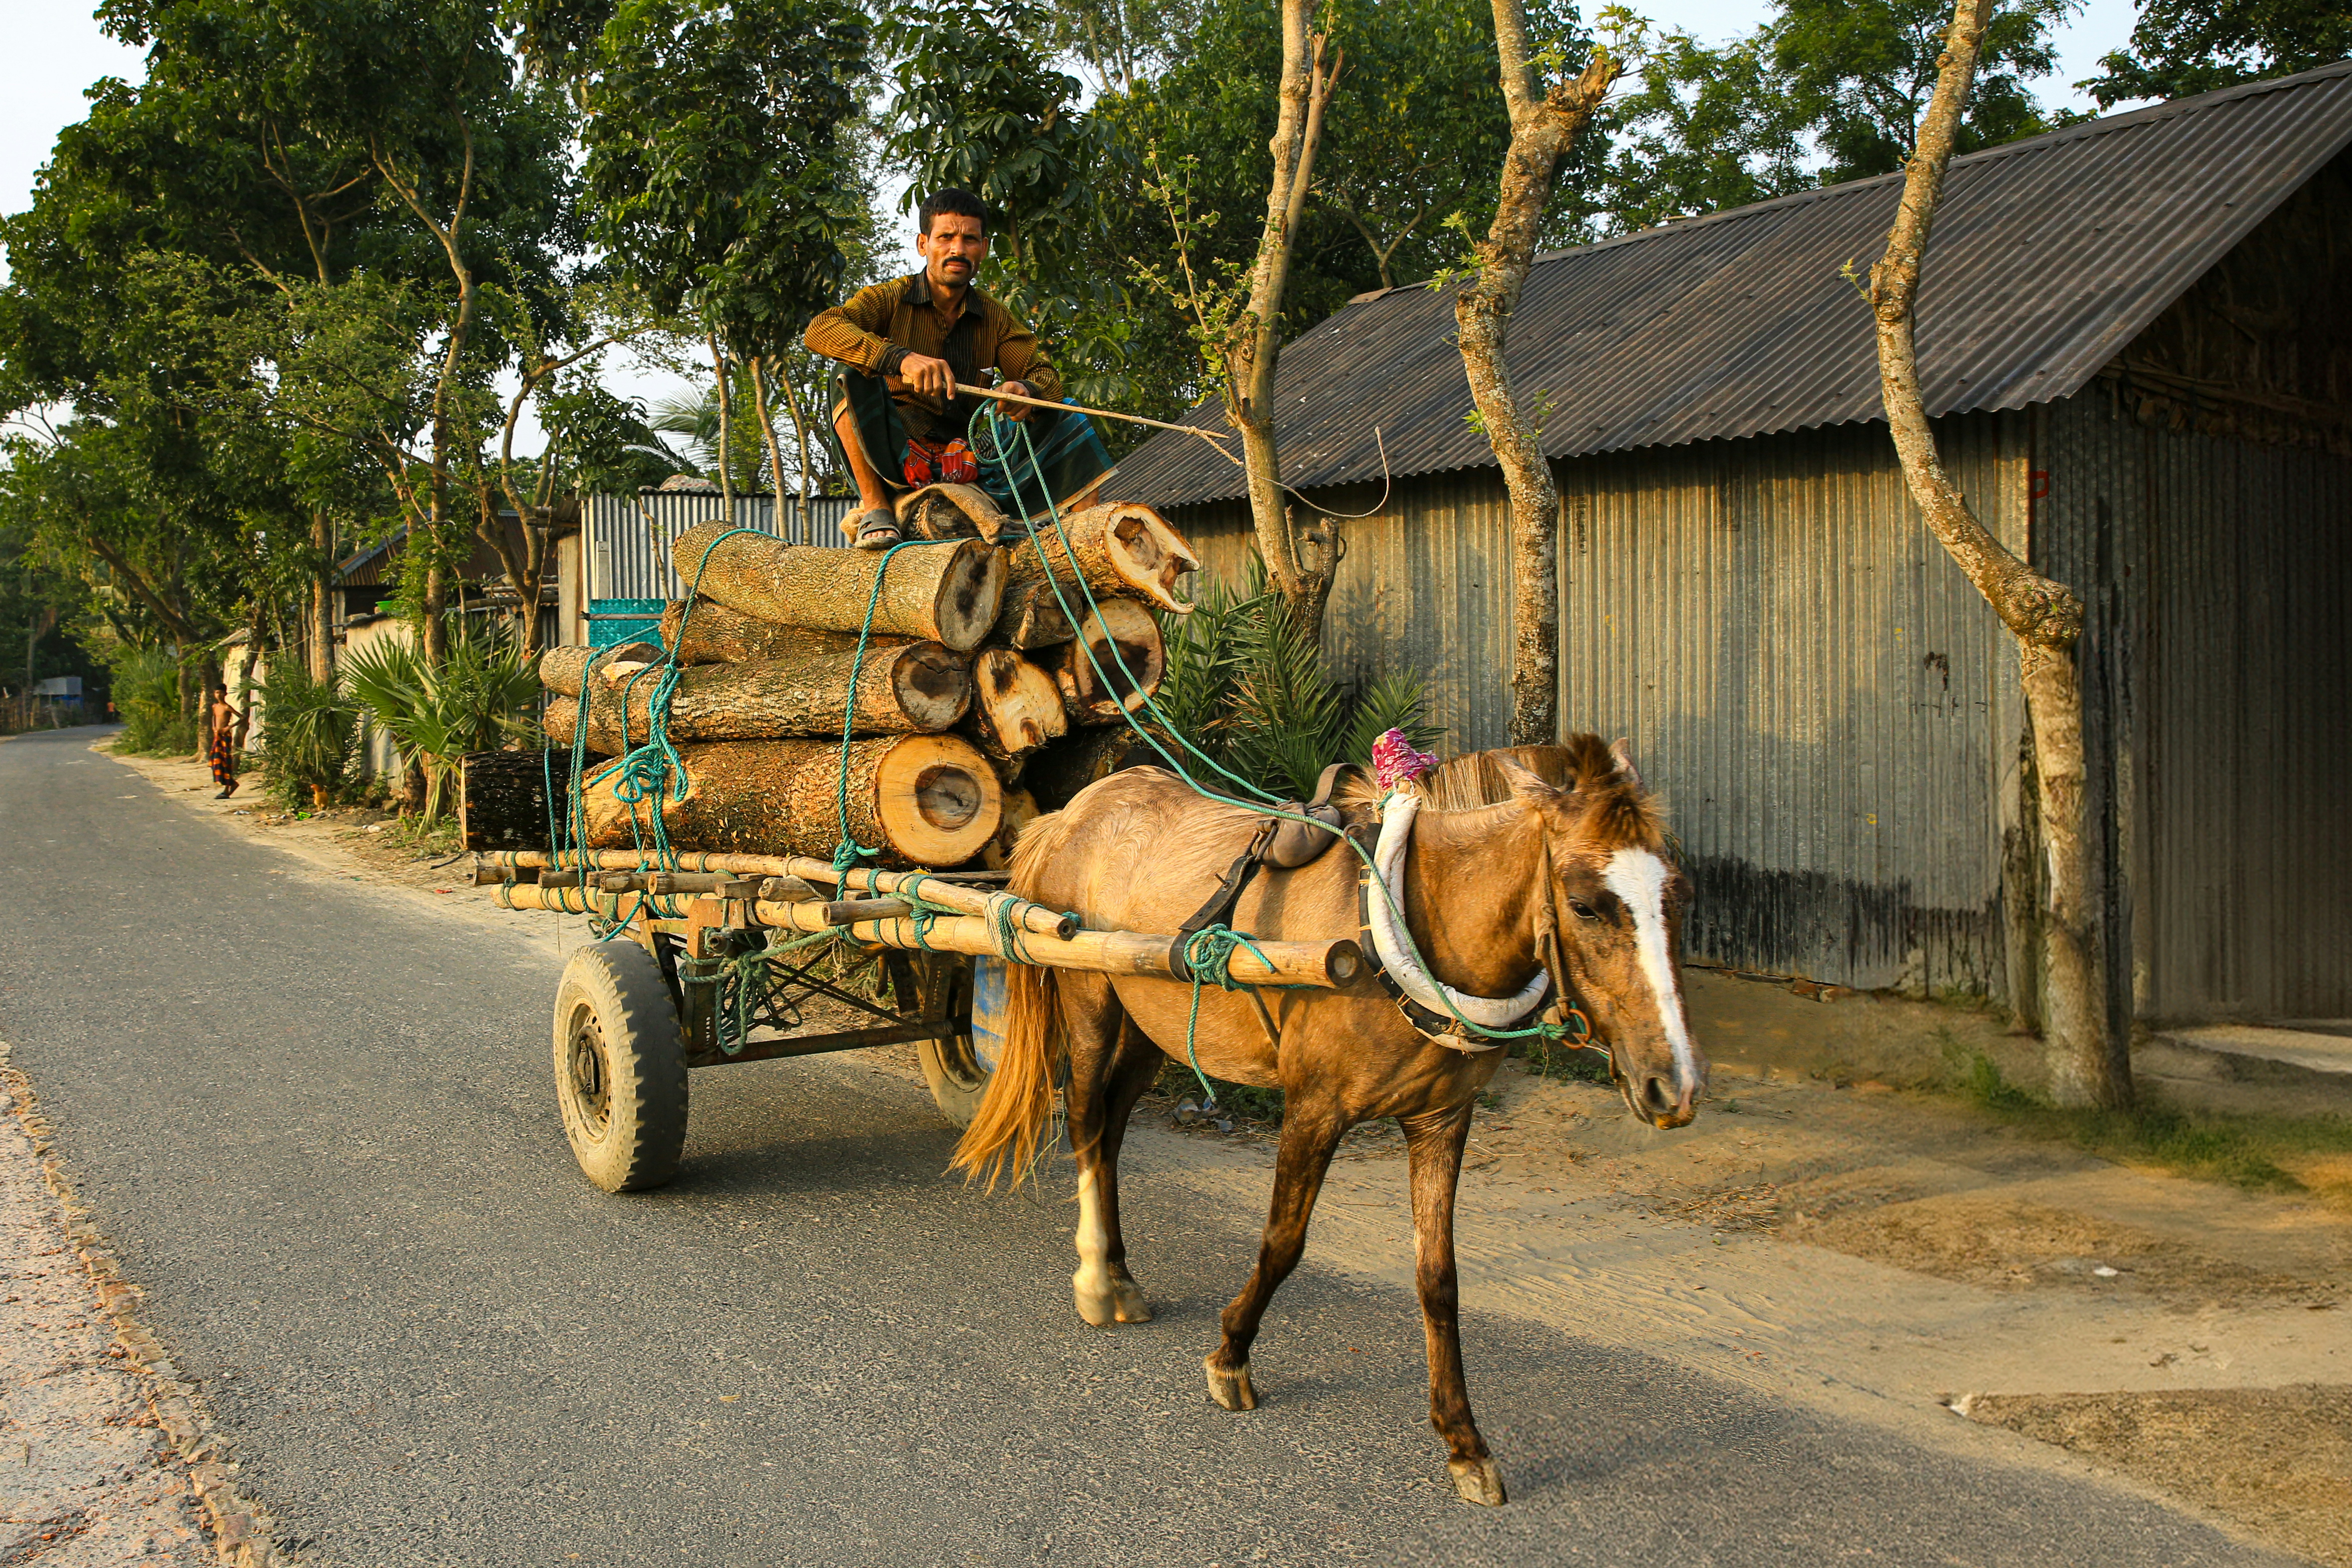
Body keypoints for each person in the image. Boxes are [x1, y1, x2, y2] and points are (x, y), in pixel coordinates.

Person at [804, 187, 1111, 549]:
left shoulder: (995, 316)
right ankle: (876, 508)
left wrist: (1025, 392)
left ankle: (1084, 542)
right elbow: (821, 329)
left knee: (1066, 413)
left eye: (969, 239)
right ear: (923, 244)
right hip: (896, 455)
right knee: (847, 375)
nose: (957, 249)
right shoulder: (889, 298)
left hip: (967, 457)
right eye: (946, 237)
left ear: (982, 248)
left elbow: (1044, 377)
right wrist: (901, 358)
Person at [207, 683, 246, 799]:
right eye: (217, 693)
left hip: (225, 737)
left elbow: (242, 718)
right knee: (216, 761)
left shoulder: (227, 707)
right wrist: (214, 728)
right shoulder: (215, 706)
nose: (219, 695)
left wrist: (229, 727)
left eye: (221, 693)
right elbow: (214, 717)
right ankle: (228, 785)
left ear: (225, 694)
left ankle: (230, 787)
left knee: (225, 760)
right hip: (217, 736)